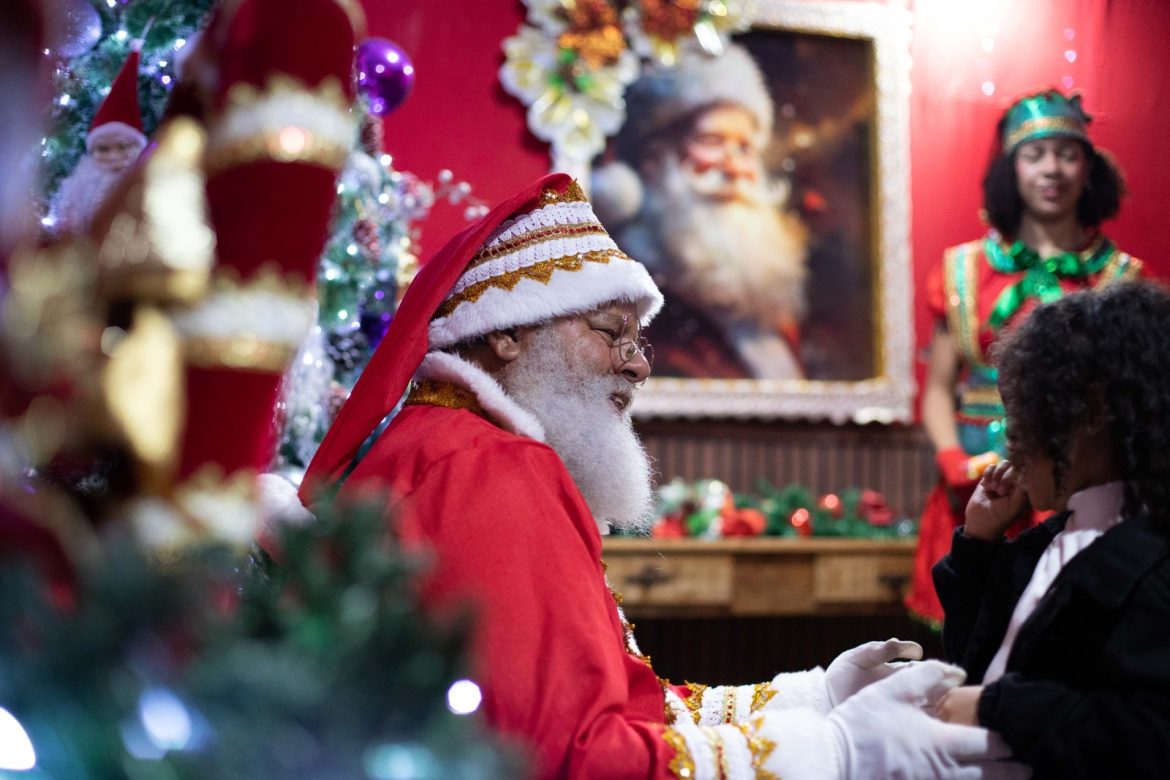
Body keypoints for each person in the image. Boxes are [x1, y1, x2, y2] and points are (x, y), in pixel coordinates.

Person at [301, 172, 1023, 778]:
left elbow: (611, 699)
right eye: (611, 333)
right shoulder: (490, 468)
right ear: (508, 331)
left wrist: (809, 698)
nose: (639, 363)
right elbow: (572, 755)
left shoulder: (450, 443)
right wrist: (833, 750)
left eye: (638, 339)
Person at [905, 89, 1142, 627]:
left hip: (1074, 492)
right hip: (972, 482)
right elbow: (940, 386)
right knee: (967, 635)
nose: (1051, 169)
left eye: (1067, 152)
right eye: (1035, 154)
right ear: (1010, 170)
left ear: (1089, 167)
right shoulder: (963, 270)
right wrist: (950, 462)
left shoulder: (1121, 279)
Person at [932, 281, 1170, 778]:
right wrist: (978, 544)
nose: (1009, 436)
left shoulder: (1149, 563)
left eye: (1024, 413)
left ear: (1091, 409)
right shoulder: (1057, 539)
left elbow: (1147, 735)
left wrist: (996, 708)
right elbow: (975, 664)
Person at [590, 45, 808, 379]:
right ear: (654, 161)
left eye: (745, 147)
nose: (735, 166)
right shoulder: (630, 305)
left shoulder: (772, 314)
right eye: (711, 140)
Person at [51, 43, 149, 235]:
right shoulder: (78, 187)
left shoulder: (147, 184)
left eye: (123, 146)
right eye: (103, 149)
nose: (113, 155)